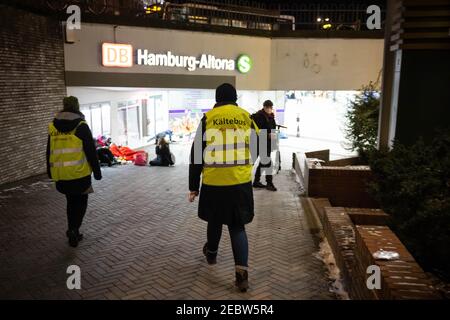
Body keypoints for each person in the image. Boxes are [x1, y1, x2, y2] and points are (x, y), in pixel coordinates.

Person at [188, 83, 259, 292]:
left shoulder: (208, 118)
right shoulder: (247, 117)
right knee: (237, 226)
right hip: (239, 182)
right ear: (235, 97)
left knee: (215, 219)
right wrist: (244, 164)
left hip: (214, 182)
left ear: (217, 98)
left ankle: (211, 254)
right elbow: (260, 148)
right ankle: (241, 276)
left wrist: (194, 186)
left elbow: (196, 155)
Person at [46, 96, 102, 248]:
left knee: (70, 203)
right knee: (81, 203)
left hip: (61, 175)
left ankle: (72, 230)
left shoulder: (53, 126)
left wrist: (49, 171)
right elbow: (91, 151)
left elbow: (49, 150)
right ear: (77, 107)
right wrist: (97, 172)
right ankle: (74, 229)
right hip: (79, 174)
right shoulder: (81, 126)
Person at [251, 100, 278, 191]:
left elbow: (271, 129)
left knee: (263, 163)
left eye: (271, 107)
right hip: (260, 142)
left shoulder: (270, 117)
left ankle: (256, 181)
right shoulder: (259, 116)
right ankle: (269, 183)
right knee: (267, 163)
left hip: (267, 143)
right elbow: (255, 131)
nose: (269, 109)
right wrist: (267, 135)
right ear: (264, 107)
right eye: (268, 107)